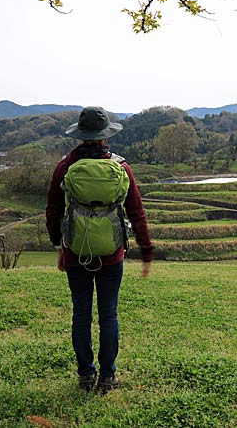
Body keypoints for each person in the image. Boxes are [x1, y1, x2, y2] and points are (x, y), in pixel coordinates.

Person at [45, 106, 153, 394]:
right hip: (112, 254)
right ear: (106, 136)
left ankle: (85, 375)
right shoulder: (121, 167)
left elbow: (53, 211)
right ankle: (107, 376)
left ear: (80, 135)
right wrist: (146, 248)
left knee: (81, 315)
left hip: (76, 252)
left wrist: (59, 245)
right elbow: (137, 211)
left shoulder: (65, 166)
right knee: (109, 314)